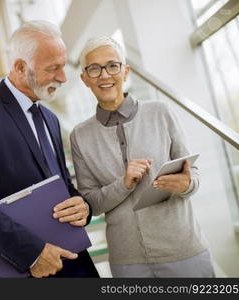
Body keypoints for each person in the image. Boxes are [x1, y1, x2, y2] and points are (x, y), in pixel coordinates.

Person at [0, 20, 99, 278]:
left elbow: (61, 186)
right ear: (20, 67)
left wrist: (83, 206)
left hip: (69, 263)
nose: (62, 78)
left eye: (63, 67)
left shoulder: (50, 118)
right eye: (53, 69)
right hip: (16, 267)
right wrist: (33, 253)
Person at [70, 36, 215, 277]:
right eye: (94, 69)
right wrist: (124, 184)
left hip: (183, 250)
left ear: (125, 71)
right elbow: (91, 204)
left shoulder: (161, 112)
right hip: (128, 263)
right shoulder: (80, 136)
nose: (104, 75)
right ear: (84, 79)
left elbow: (194, 175)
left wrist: (186, 184)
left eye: (112, 65)